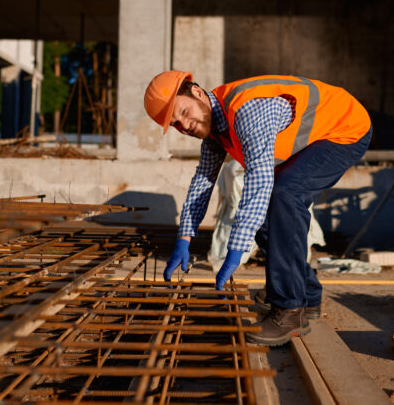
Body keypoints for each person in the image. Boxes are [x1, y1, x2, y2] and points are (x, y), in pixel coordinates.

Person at [144, 71, 372, 345]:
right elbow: (203, 181)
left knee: (285, 194)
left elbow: (260, 179)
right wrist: (184, 237)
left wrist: (236, 250)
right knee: (272, 207)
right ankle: (306, 296)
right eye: (176, 124)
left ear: (197, 93)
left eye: (183, 112)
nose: (186, 125)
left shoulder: (247, 111)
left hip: (345, 129)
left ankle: (289, 310)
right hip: (316, 138)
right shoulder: (215, 130)